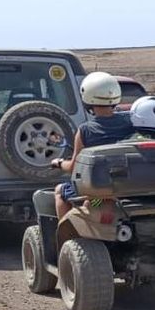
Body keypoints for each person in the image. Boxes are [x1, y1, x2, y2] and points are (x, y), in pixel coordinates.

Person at [50, 72, 133, 218]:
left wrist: (59, 163)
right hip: (127, 187)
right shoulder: (130, 123)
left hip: (98, 194)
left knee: (59, 191)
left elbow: (73, 168)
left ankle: (66, 235)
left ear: (87, 98)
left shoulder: (85, 130)